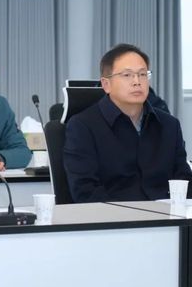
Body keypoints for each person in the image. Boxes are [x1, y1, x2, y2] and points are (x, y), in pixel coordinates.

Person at [64, 43, 192, 202]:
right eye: (127, 75)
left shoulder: (169, 125)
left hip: (167, 214)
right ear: (106, 84)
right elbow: (85, 191)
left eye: (143, 74)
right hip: (113, 216)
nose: (137, 81)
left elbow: (184, 182)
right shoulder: (82, 127)